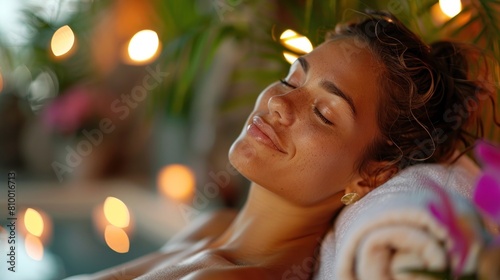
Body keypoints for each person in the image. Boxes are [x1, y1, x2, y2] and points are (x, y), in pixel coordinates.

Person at [70, 10, 498, 280]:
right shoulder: (214, 227)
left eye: (324, 113)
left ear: (373, 175)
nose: (278, 102)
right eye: (292, 78)